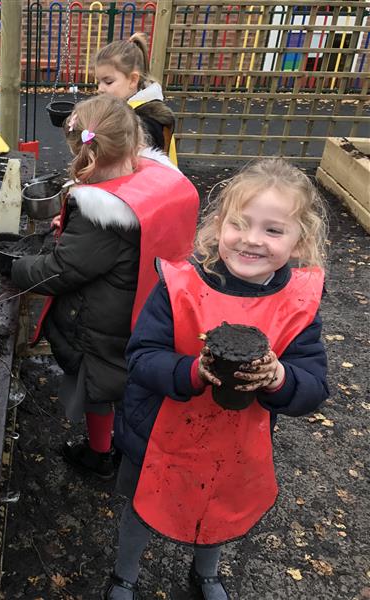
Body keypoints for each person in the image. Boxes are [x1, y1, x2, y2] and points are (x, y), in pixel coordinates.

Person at [107, 158, 329, 600]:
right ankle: (124, 576)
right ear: (218, 225)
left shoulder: (297, 306)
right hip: (155, 434)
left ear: (299, 240)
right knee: (142, 507)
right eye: (239, 224)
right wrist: (193, 370)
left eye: (272, 230)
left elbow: (314, 386)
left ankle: (206, 573)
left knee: (217, 506)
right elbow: (142, 357)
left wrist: (278, 377)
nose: (251, 240)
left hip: (234, 441)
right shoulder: (181, 286)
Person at [11, 95, 198, 480]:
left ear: (83, 151)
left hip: (101, 325)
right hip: (145, 306)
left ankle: (103, 455)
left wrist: (15, 268)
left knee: (99, 390)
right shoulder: (154, 176)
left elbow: (62, 270)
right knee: (128, 389)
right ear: (134, 142)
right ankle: (125, 449)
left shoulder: (101, 211)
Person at [95, 32, 176, 159]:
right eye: (98, 82)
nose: (100, 89)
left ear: (133, 80)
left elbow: (131, 164)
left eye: (108, 82)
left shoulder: (146, 123)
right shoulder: (128, 109)